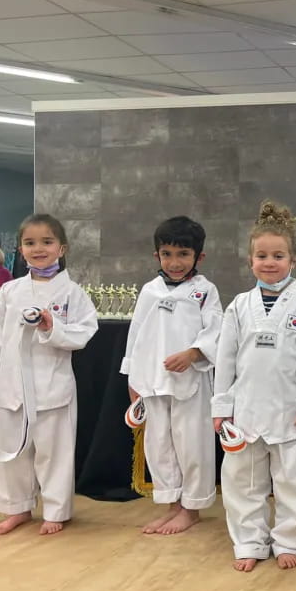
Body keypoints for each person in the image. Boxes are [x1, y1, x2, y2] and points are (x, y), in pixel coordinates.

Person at [0, 214, 98, 535]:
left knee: (53, 454)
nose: (38, 248)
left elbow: (83, 333)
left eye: (47, 242)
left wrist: (52, 327)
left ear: (62, 247)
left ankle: (57, 510)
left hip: (52, 388)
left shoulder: (72, 293)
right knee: (11, 455)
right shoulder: (10, 291)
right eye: (30, 243)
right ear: (19, 249)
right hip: (12, 387)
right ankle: (16, 508)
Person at [212, 201, 296, 572]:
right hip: (245, 411)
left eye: (278, 255)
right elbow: (225, 360)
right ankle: (249, 541)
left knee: (294, 481)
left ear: (293, 261)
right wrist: (221, 407)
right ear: (250, 261)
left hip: (292, 410)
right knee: (242, 483)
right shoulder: (238, 306)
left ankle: (289, 540)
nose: (269, 262)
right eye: (261, 255)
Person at [121, 216, 223, 535]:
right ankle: (172, 505)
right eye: (167, 254)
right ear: (157, 256)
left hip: (191, 383)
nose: (175, 262)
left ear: (198, 257)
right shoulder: (149, 292)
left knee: (192, 445)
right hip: (152, 381)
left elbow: (217, 331)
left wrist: (193, 353)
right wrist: (132, 379)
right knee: (159, 445)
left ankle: (191, 508)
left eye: (183, 254)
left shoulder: (205, 291)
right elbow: (136, 336)